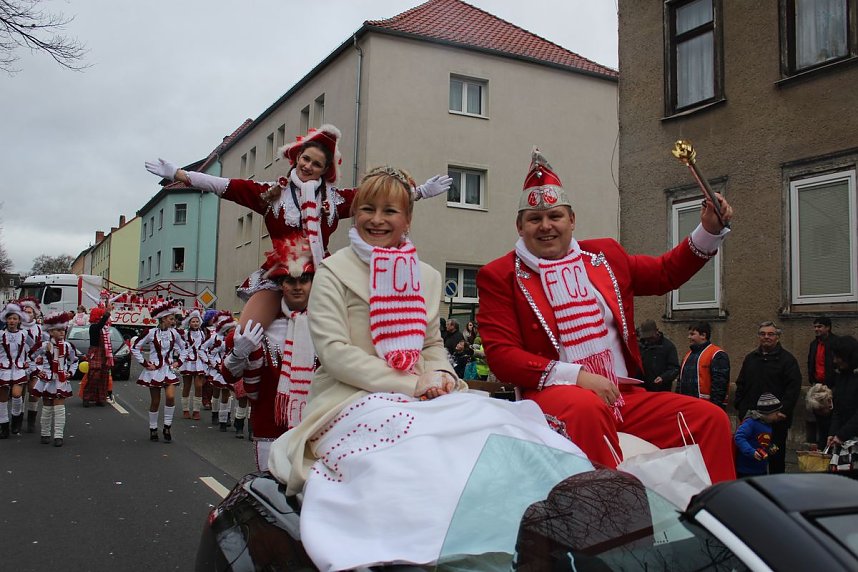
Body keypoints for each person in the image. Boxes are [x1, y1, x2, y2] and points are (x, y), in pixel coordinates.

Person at [266, 166, 589, 571]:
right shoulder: (333, 271)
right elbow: (334, 352)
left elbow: (432, 344)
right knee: (419, 453)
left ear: (408, 219)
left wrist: (443, 378)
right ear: (355, 214)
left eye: (390, 211)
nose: (378, 220)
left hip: (423, 390)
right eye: (367, 209)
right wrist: (413, 383)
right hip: (351, 396)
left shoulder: (427, 276)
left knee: (497, 429)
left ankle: (520, 537)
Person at [476, 147, 736, 482]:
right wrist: (578, 377)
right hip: (557, 397)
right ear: (520, 226)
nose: (546, 226)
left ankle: (716, 521)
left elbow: (664, 273)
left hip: (622, 396)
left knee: (710, 418)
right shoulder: (500, 275)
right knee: (588, 408)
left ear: (572, 220)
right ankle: (612, 522)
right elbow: (502, 356)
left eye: (555, 216)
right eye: (535, 219)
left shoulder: (604, 255)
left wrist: (709, 230)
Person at [145, 125, 451, 334]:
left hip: (320, 277)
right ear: (296, 157)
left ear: (325, 170)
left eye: (317, 164)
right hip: (280, 274)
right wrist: (180, 174)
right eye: (306, 158)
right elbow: (224, 186)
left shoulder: (334, 199)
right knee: (246, 333)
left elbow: (377, 198)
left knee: (343, 334)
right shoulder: (271, 193)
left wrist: (420, 191)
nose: (308, 167)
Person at [222, 265, 316, 468]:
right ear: (281, 285)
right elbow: (229, 375)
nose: (297, 287)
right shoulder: (259, 330)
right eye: (290, 281)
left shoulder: (326, 326)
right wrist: (239, 353)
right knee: (273, 495)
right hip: (270, 430)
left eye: (304, 280)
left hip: (317, 430)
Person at [734, 321, 802, 474]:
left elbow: (793, 388)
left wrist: (783, 411)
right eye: (763, 334)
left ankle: (776, 487)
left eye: (770, 334)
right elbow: (741, 384)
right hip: (752, 419)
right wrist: (741, 408)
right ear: (759, 337)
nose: (766, 337)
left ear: (777, 337)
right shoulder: (751, 358)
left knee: (775, 456)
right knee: (751, 456)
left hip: (776, 421)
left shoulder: (787, 361)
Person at [131, 300, 186, 442]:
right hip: (154, 371)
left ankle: (167, 426)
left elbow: (185, 348)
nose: (173, 321)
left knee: (170, 397)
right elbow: (135, 347)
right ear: (163, 319)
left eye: (173, 319)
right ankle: (153, 428)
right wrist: (144, 363)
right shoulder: (150, 333)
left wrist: (178, 362)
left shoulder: (174, 333)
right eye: (171, 319)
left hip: (168, 370)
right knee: (155, 401)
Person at [32, 311, 78, 447]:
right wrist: (37, 371)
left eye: (63, 329)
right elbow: (30, 357)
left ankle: (58, 435)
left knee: (59, 408)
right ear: (51, 331)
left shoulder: (68, 346)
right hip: (47, 380)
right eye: (58, 330)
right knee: (47, 406)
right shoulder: (44, 345)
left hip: (61, 379)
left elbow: (74, 360)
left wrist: (70, 372)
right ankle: (45, 433)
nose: (62, 332)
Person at [0, 302, 35, 438]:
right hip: (3, 368)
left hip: (19, 368)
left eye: (14, 318)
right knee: (2, 398)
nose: (12, 321)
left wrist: (31, 363)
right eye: (9, 319)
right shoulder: (1, 334)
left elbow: (34, 349)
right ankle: (4, 426)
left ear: (19, 320)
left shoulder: (24, 334)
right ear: (6, 320)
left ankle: (16, 421)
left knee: (16, 394)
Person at [677, 321, 730, 407]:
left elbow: (720, 385)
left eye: (692, 334)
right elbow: (680, 383)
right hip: (688, 406)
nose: (688, 337)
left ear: (703, 335)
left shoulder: (717, 354)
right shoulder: (687, 355)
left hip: (707, 407)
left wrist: (714, 407)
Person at [200, 310, 236, 432]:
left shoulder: (235, 338)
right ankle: (216, 414)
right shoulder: (215, 338)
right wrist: (214, 365)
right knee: (217, 392)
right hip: (218, 369)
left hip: (230, 368)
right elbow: (205, 350)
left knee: (227, 393)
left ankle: (224, 419)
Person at [734, 392, 784, 478]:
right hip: (747, 469)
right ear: (768, 413)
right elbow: (739, 437)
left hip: (761, 469)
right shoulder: (751, 423)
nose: (779, 415)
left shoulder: (768, 424)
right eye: (777, 412)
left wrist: (770, 448)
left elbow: (762, 442)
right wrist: (751, 451)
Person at [807, 317, 838, 448]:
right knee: (817, 417)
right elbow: (811, 362)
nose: (816, 329)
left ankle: (830, 447)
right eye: (815, 327)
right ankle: (820, 446)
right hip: (817, 385)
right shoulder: (814, 344)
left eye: (819, 326)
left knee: (830, 419)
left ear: (828, 328)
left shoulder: (836, 343)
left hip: (832, 386)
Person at [20, 296, 47, 432]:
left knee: (34, 391)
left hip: (35, 363)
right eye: (25, 312)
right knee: (19, 392)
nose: (27, 314)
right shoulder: (16, 327)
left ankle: (31, 420)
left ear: (35, 313)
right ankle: (17, 417)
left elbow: (48, 344)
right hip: (20, 363)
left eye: (30, 312)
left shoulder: (40, 329)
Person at [826, 335, 858, 451]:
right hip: (844, 438)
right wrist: (833, 433)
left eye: (837, 357)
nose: (834, 361)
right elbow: (838, 408)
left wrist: (841, 435)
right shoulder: (841, 375)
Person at [178, 309, 208, 420]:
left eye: (197, 321)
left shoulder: (202, 333)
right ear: (189, 323)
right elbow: (179, 345)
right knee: (186, 386)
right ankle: (185, 410)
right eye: (193, 321)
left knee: (199, 386)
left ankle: (196, 410)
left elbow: (205, 346)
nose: (195, 323)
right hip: (188, 362)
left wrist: (205, 358)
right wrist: (182, 354)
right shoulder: (185, 334)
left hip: (199, 362)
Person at [84, 303, 114, 407]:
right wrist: (107, 313)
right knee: (94, 376)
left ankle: (100, 399)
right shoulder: (93, 327)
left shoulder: (105, 329)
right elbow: (99, 325)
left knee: (104, 377)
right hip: (96, 352)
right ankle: (87, 398)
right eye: (101, 315)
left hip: (104, 354)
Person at [637, 319, 680, 392]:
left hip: (661, 389)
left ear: (657, 331)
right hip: (643, 389)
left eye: (651, 337)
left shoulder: (668, 346)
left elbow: (674, 368)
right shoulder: (641, 346)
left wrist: (663, 377)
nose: (649, 340)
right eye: (646, 338)